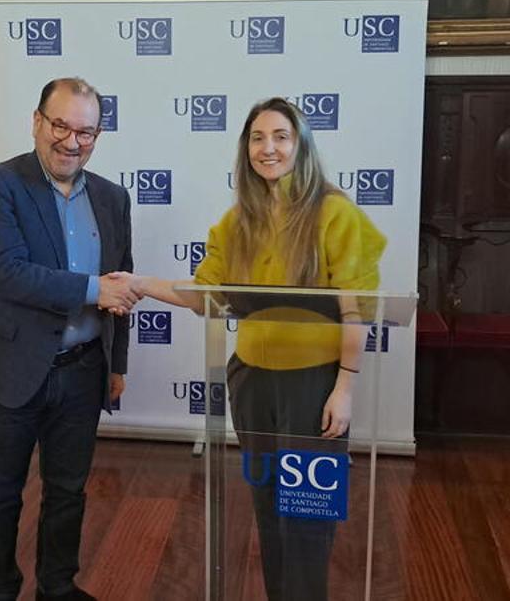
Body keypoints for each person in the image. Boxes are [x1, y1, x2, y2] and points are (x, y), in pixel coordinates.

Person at [114, 97, 386, 600]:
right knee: (266, 506)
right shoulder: (238, 220)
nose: (269, 148)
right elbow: (203, 297)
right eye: (258, 138)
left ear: (300, 145)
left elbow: (358, 310)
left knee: (305, 513)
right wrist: (140, 282)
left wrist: (344, 387)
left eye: (281, 136)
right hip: (252, 382)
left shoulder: (335, 213)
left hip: (314, 384)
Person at [0, 77, 140, 601]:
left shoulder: (112, 197)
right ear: (37, 122)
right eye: (60, 125)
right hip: (10, 368)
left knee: (67, 492)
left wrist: (117, 364)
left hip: (84, 370)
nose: (71, 141)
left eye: (86, 131)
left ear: (97, 135)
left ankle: (57, 587)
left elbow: (120, 285)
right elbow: (8, 273)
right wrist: (93, 291)